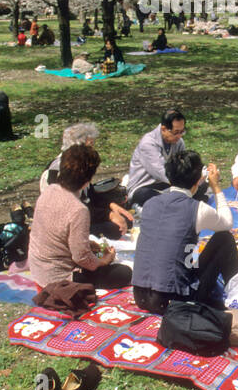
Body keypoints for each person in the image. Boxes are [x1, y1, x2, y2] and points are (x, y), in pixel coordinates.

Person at [132, 152, 238, 315]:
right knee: (224, 238)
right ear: (198, 180)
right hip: (175, 300)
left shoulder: (149, 204)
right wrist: (216, 186)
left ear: (169, 179)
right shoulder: (197, 208)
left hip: (140, 295)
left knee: (187, 249)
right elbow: (227, 223)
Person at [27, 144, 132, 289]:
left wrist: (88, 245)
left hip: (38, 268)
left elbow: (57, 235)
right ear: (87, 181)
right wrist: (104, 260)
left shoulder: (49, 190)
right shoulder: (78, 209)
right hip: (58, 278)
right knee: (124, 273)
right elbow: (82, 259)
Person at [41, 122, 133, 237]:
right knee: (115, 228)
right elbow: (75, 210)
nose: (93, 150)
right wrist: (109, 215)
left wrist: (112, 206)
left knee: (126, 220)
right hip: (67, 226)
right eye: (90, 146)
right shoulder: (60, 170)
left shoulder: (79, 165)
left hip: (82, 214)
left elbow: (90, 196)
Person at [126, 110, 187, 208]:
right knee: (165, 202)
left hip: (168, 185)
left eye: (182, 131)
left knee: (198, 189)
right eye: (176, 132)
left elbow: (184, 164)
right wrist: (186, 183)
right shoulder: (148, 143)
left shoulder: (179, 142)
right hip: (144, 187)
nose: (179, 136)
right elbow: (161, 172)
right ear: (163, 129)